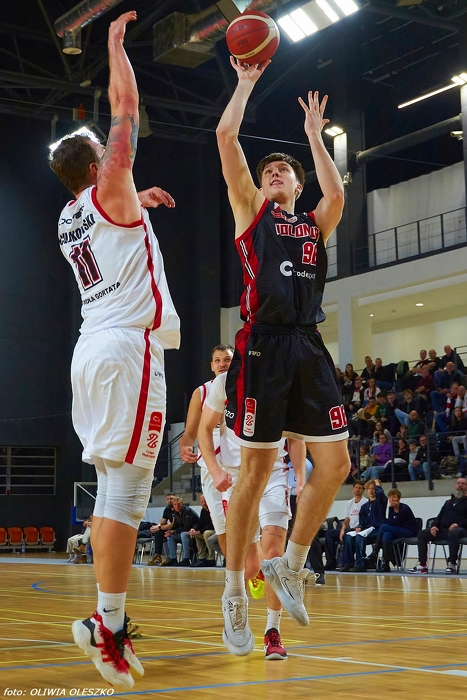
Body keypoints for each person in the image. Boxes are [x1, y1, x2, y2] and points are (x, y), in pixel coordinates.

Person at [49, 11, 180, 689]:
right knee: (129, 493)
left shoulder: (70, 216)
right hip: (129, 351)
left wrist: (140, 202)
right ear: (98, 162)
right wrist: (115, 46)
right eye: (108, 149)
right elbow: (126, 104)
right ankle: (107, 627)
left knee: (112, 490)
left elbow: (116, 223)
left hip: (91, 348)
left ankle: (107, 621)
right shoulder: (108, 186)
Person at [215, 57, 349, 655]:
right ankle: (233, 595)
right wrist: (245, 83)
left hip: (308, 344)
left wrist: (314, 138)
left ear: (297, 186)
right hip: (263, 344)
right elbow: (226, 137)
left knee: (336, 464)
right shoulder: (251, 212)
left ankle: (291, 565)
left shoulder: (314, 225)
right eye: (268, 169)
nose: (273, 173)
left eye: (283, 171)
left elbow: (337, 192)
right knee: (256, 473)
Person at [198, 370, 304, 660]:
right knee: (245, 559)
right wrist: (215, 470)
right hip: (236, 477)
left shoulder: (284, 381)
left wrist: (300, 477)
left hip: (274, 475)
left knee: (274, 554)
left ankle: (273, 631)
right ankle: (234, 600)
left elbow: (296, 437)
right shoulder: (224, 383)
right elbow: (203, 429)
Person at [409, 478, 467, 574]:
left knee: (454, 532)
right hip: (444, 530)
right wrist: (434, 526)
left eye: (463, 483)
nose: (460, 485)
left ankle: (452, 563)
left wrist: (458, 524)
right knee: (422, 533)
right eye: (458, 483)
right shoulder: (449, 501)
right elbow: (439, 516)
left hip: (461, 530)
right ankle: (422, 565)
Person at [338, 479, 387, 572]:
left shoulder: (380, 502)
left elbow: (381, 494)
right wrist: (359, 528)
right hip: (366, 530)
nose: (371, 491)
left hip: (377, 529)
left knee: (359, 537)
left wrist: (377, 484)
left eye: (373, 488)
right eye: (369, 489)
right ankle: (347, 563)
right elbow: (362, 521)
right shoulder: (364, 506)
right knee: (349, 536)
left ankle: (360, 564)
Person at [366, 489, 418, 572]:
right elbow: (390, 523)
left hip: (409, 531)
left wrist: (391, 509)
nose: (392, 499)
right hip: (398, 531)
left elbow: (394, 522)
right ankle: (386, 565)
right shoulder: (391, 509)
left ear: (399, 498)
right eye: (390, 497)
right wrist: (391, 509)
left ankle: (375, 552)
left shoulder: (404, 508)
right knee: (386, 535)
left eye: (394, 497)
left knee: (383, 527)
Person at [324, 482, 367, 570]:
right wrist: (342, 529)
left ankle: (347, 563)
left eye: (360, 488)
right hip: (349, 529)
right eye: (356, 487)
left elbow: (366, 519)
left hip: (359, 529)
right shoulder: (349, 503)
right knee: (329, 533)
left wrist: (359, 528)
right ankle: (331, 562)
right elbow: (347, 519)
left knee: (348, 535)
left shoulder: (365, 502)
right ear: (353, 489)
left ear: (363, 490)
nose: (357, 489)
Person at [147, 493, 175, 566]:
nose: (169, 501)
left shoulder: (177, 508)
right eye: (168, 499)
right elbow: (162, 522)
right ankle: (157, 556)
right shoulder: (167, 509)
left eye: (171, 499)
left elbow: (172, 524)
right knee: (158, 533)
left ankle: (172, 558)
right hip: (170, 529)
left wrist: (159, 528)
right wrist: (156, 527)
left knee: (166, 533)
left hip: (178, 529)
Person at [189, 494, 216, 567]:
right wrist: (194, 529)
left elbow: (212, 525)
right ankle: (202, 557)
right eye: (202, 502)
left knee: (206, 533)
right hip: (206, 531)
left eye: (205, 501)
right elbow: (200, 523)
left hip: (215, 531)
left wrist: (200, 531)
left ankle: (211, 558)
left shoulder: (213, 509)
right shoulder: (203, 510)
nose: (204, 503)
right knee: (197, 535)